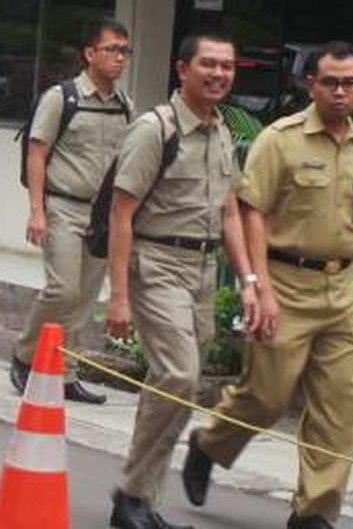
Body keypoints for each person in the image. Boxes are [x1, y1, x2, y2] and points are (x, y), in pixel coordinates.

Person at [182, 42, 353, 529]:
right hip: (286, 284)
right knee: (266, 396)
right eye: (329, 81)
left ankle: (313, 513)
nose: (339, 91)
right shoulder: (280, 139)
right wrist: (259, 286)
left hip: (344, 289)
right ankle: (209, 444)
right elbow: (252, 212)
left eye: (349, 83)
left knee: (339, 408)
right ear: (310, 84)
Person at [104, 32, 260, 529]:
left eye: (228, 66)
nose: (219, 74)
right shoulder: (156, 129)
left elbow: (231, 214)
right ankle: (130, 494)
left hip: (203, 271)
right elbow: (120, 214)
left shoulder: (221, 132)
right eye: (208, 64)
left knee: (178, 388)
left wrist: (249, 280)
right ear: (182, 70)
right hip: (157, 262)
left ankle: (140, 503)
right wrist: (119, 297)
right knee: (177, 375)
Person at [10, 18, 134, 404]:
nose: (119, 58)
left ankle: (65, 374)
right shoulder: (62, 98)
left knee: (83, 298)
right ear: (90, 53)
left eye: (125, 51)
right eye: (112, 49)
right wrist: (36, 210)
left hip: (102, 216)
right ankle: (25, 356)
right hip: (62, 206)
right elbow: (37, 151)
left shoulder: (125, 106)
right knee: (62, 289)